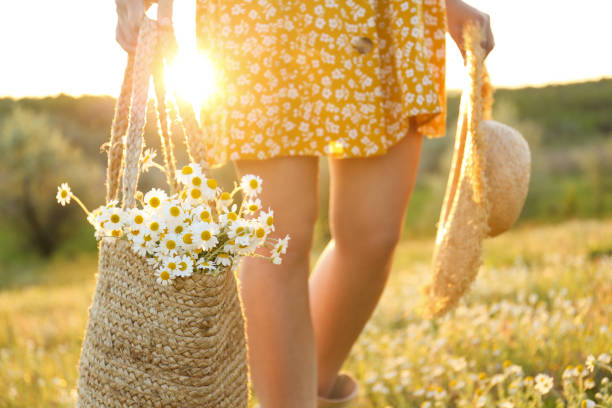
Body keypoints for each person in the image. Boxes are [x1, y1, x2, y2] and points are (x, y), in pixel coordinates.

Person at [114, 0, 494, 407]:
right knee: (280, 239)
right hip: (268, 15)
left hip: (384, 11)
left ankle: (299, 392)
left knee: (375, 237)